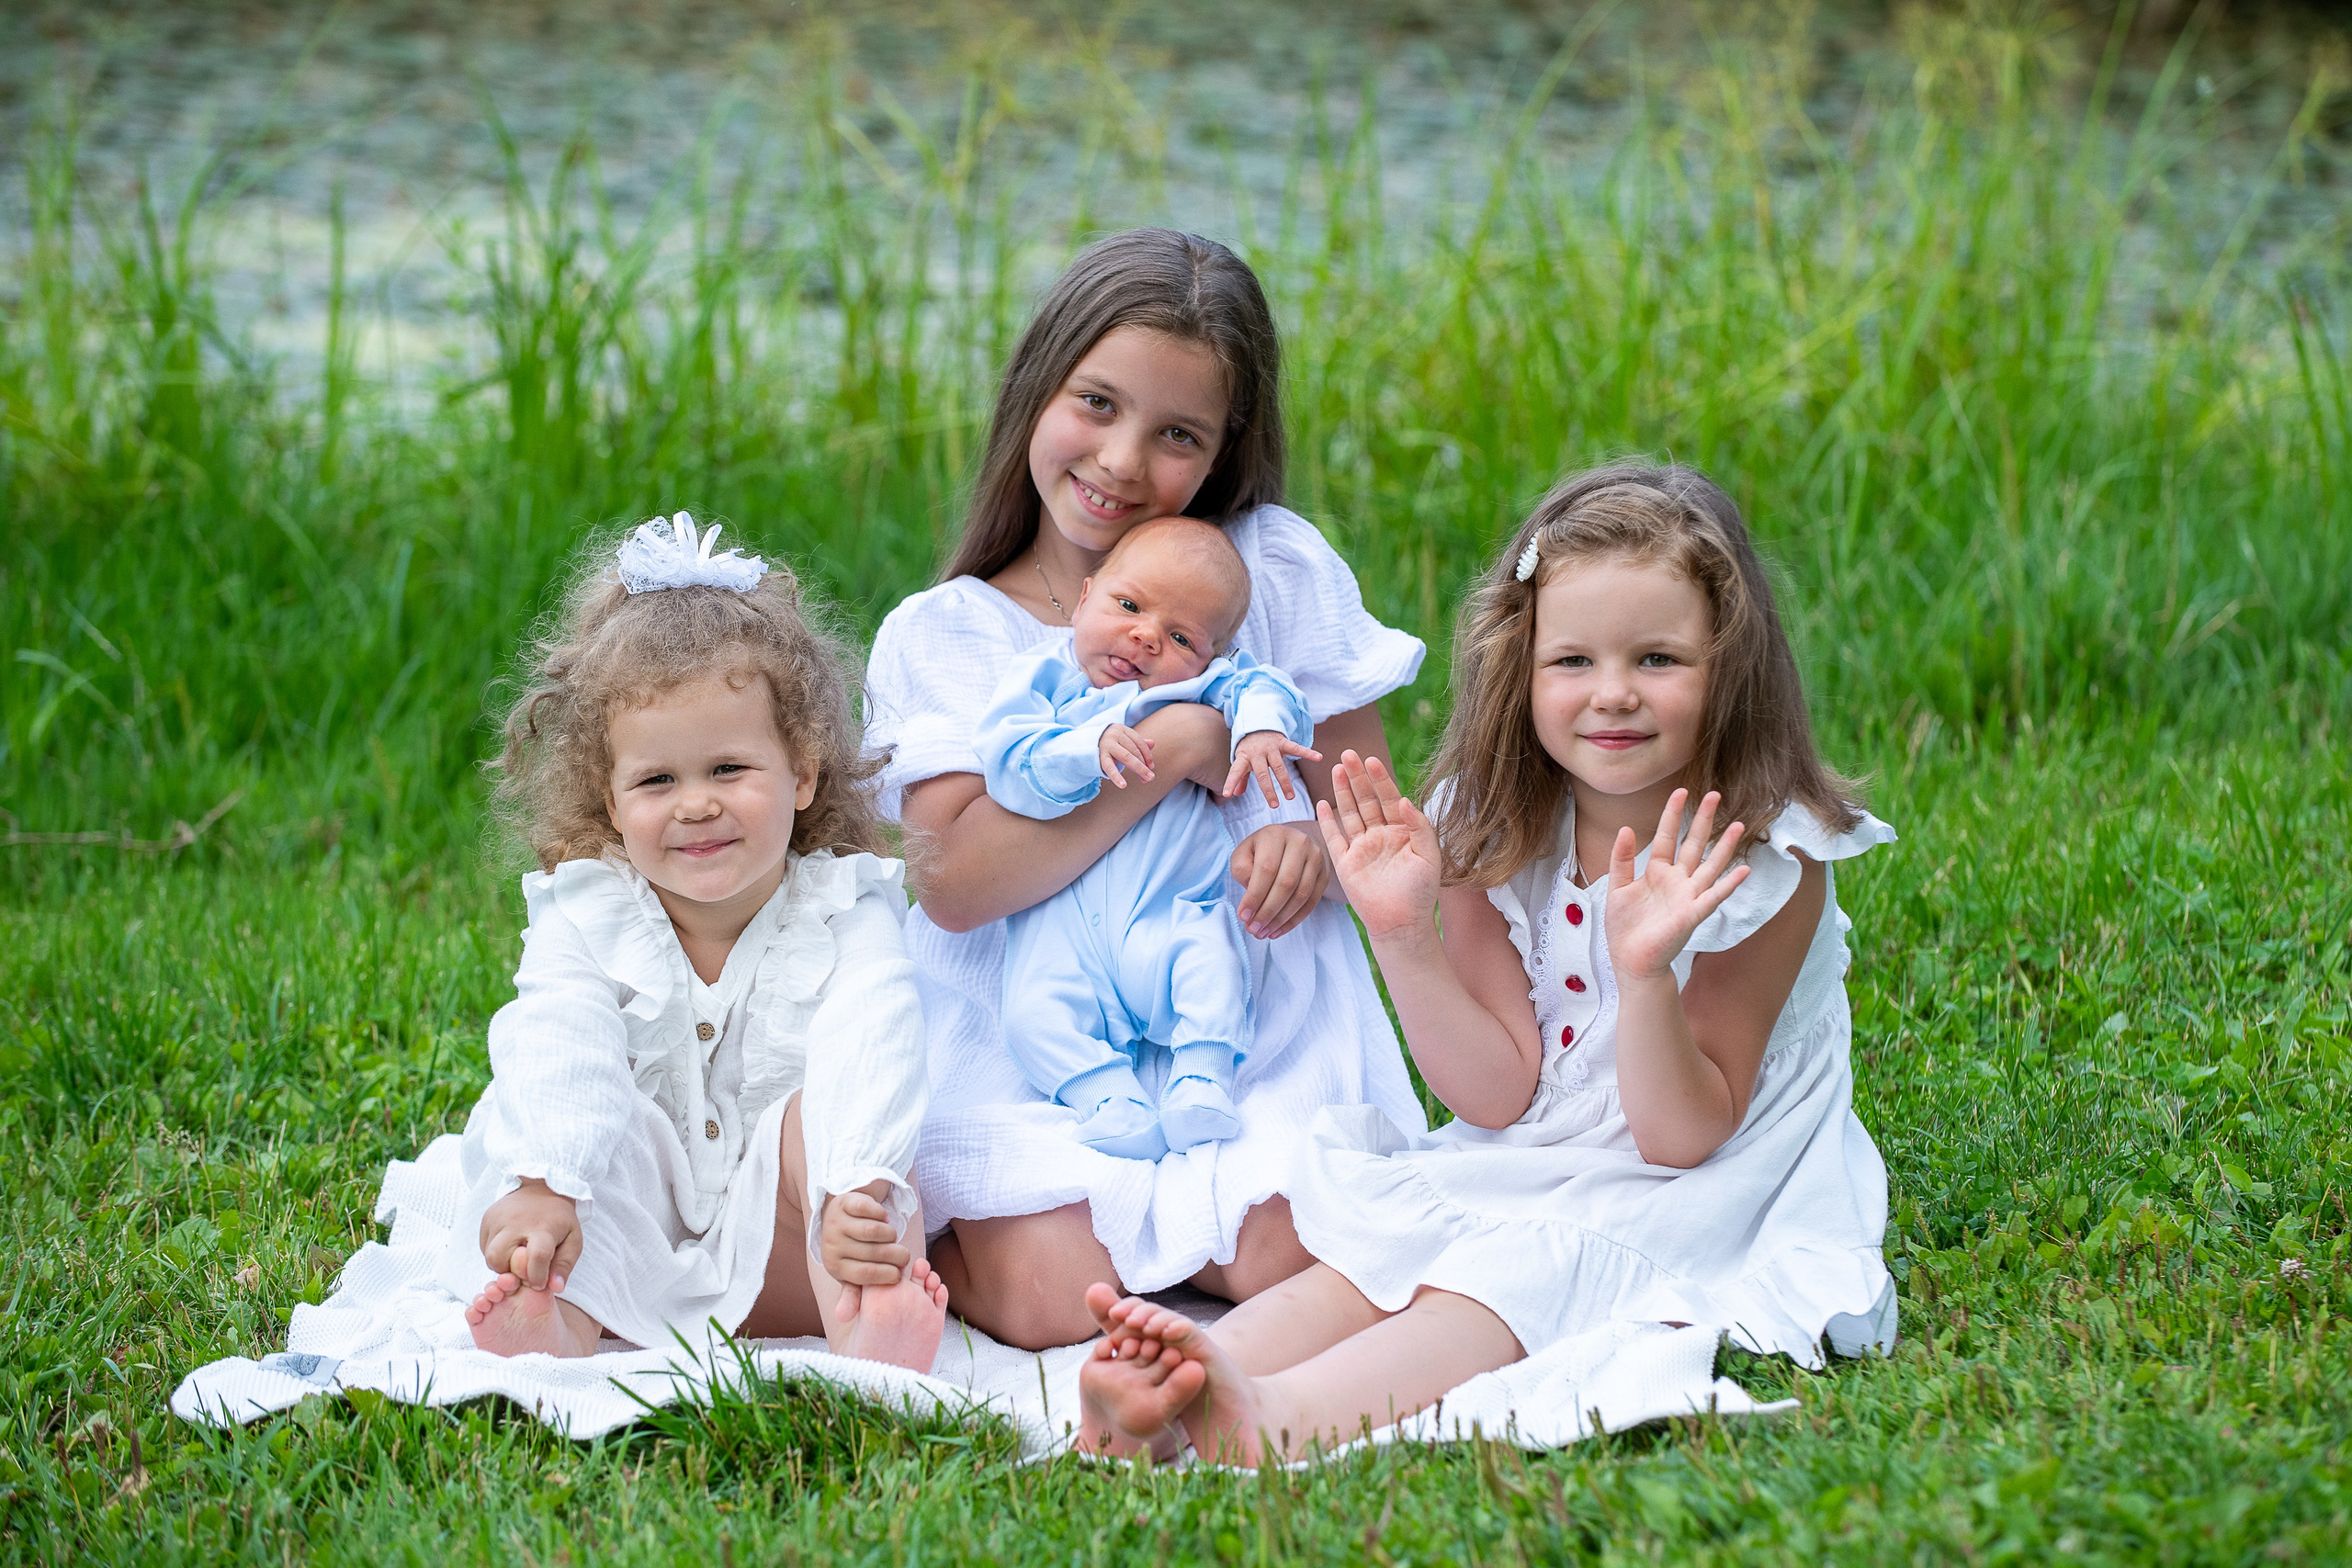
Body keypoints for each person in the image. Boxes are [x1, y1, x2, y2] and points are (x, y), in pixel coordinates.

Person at [1073, 464, 1899, 1463]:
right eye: (1573, 662)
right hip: (1526, 1152)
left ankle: (1273, 1420)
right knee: (1392, 1243)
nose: (1613, 695)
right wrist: (1405, 934)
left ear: (1731, 665)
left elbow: (1686, 1137)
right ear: (1522, 663)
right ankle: (1177, 1377)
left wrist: (1643, 975)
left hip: (1699, 1178)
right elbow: (1496, 1098)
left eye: (1658, 658)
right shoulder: (1494, 823)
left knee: (1504, 1279)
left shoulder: (1769, 864)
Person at [864, 228, 1428, 1349]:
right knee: (1047, 1299)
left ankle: (1220, 1246)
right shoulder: (947, 635)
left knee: (1297, 1256)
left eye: (1177, 434)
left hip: (1241, 1011)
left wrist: (1311, 855)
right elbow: (959, 884)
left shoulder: (1268, 568)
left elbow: (1364, 813)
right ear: (1038, 388)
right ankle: (973, 1240)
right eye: (1097, 403)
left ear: (1222, 453)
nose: (1123, 461)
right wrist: (1176, 745)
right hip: (1030, 1024)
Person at [443, 513, 947, 1371]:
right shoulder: (588, 913)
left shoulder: (844, 906)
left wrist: (855, 1183)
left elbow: (876, 1032)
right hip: (615, 1242)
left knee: (816, 1131)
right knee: (602, 1131)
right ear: (608, 800)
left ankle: (860, 1316)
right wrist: (545, 1180)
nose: (695, 804)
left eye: (728, 770)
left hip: (791, 1252)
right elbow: (560, 1038)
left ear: (803, 770)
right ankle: (557, 1321)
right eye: (655, 780)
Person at [976, 515, 1320, 1159]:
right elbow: (1007, 761)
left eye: (1180, 635)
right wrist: (1085, 749)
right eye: (1128, 605)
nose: (1144, 635)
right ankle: (1106, 1095)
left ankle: (1201, 1076)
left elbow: (1263, 686)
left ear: (1209, 657)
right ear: (1085, 598)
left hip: (1166, 913)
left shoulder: (1196, 688)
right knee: (1030, 1014)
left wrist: (1259, 730)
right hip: (1063, 934)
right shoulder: (1042, 681)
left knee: (1211, 957)